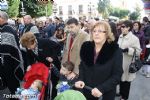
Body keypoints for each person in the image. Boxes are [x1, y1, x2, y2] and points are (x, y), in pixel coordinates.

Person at [75, 21, 123, 100]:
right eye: (94, 31)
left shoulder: (115, 50)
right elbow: (82, 66)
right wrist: (80, 80)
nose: (96, 33)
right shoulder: (86, 47)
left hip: (105, 93)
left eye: (100, 31)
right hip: (87, 90)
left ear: (107, 34)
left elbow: (117, 75)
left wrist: (102, 88)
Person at [20, 32, 61, 99]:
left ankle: (53, 97)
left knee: (53, 84)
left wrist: (53, 57)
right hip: (43, 67)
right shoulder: (28, 45)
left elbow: (58, 47)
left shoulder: (45, 42)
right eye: (27, 47)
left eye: (29, 46)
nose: (29, 48)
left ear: (34, 41)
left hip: (53, 66)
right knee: (44, 83)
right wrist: (29, 65)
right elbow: (29, 56)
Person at [0, 11, 24, 96]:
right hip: (5, 59)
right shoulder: (3, 28)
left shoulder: (7, 29)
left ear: (2, 18)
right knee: (8, 78)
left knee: (12, 78)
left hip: (10, 58)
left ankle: (15, 95)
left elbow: (8, 47)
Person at [118, 20, 141, 100]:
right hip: (119, 63)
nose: (121, 28)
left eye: (123, 26)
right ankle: (121, 94)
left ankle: (124, 97)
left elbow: (138, 51)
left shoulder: (134, 38)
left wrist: (128, 50)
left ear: (128, 28)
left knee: (126, 82)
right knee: (121, 80)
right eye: (121, 26)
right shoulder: (120, 36)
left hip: (128, 64)